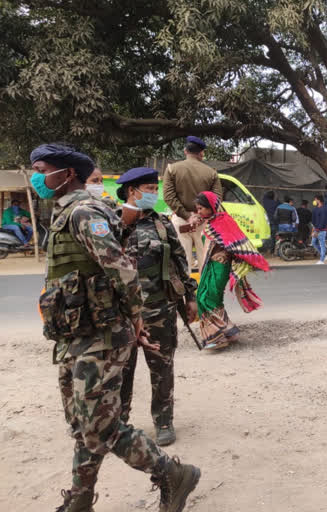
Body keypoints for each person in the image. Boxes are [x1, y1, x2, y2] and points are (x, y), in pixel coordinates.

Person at [30, 143, 200, 512]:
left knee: (101, 427)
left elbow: (123, 269)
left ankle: (174, 474)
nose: (36, 176)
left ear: (66, 173)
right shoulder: (63, 215)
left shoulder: (83, 213)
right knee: (82, 425)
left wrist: (135, 317)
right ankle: (80, 500)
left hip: (101, 336)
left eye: (41, 169)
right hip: (75, 335)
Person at [116, 167, 199, 447]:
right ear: (132, 191)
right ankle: (119, 422)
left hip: (159, 310)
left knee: (162, 367)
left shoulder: (162, 224)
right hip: (123, 313)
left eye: (154, 189)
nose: (154, 194)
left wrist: (190, 297)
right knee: (122, 370)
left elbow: (180, 262)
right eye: (149, 189)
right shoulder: (112, 223)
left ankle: (163, 421)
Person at [195, 192, 270, 350]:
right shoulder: (211, 221)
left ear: (211, 207)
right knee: (208, 296)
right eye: (197, 208)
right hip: (213, 266)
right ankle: (229, 330)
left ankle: (216, 336)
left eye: (201, 208)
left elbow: (235, 244)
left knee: (208, 297)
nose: (198, 212)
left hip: (220, 266)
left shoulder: (222, 222)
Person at [163, 136, 222, 270]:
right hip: (205, 224)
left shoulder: (172, 169)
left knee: (183, 262)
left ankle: (186, 290)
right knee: (206, 263)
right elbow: (217, 199)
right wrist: (201, 216)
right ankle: (204, 290)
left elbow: (168, 196)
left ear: (185, 151)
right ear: (201, 153)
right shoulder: (211, 173)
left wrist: (187, 216)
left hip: (180, 221)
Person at [311, 194, 327, 264]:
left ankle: (322, 260)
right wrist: (313, 229)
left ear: (318, 200)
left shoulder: (324, 209)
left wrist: (317, 230)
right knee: (313, 242)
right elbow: (314, 220)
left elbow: (324, 220)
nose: (314, 201)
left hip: (321, 230)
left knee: (322, 244)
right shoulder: (315, 209)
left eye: (315, 199)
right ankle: (324, 256)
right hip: (316, 229)